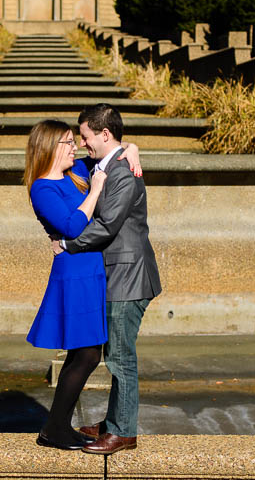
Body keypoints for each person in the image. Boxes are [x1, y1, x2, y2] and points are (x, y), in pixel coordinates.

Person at [24, 119, 140, 451]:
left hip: (91, 271)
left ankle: (56, 426)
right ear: (49, 147)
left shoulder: (77, 171)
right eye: (67, 142)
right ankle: (55, 427)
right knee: (87, 354)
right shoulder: (42, 188)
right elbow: (74, 226)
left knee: (85, 352)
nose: (75, 147)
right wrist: (98, 190)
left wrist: (134, 149)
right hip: (73, 273)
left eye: (75, 141)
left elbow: (114, 151)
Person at [52, 103, 162, 455]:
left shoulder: (122, 173)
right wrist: (131, 146)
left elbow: (107, 225)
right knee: (115, 352)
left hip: (128, 277)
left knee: (120, 358)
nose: (82, 143)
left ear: (103, 134)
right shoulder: (111, 163)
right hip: (118, 276)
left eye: (85, 136)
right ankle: (115, 420)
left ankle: (123, 433)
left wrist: (67, 244)